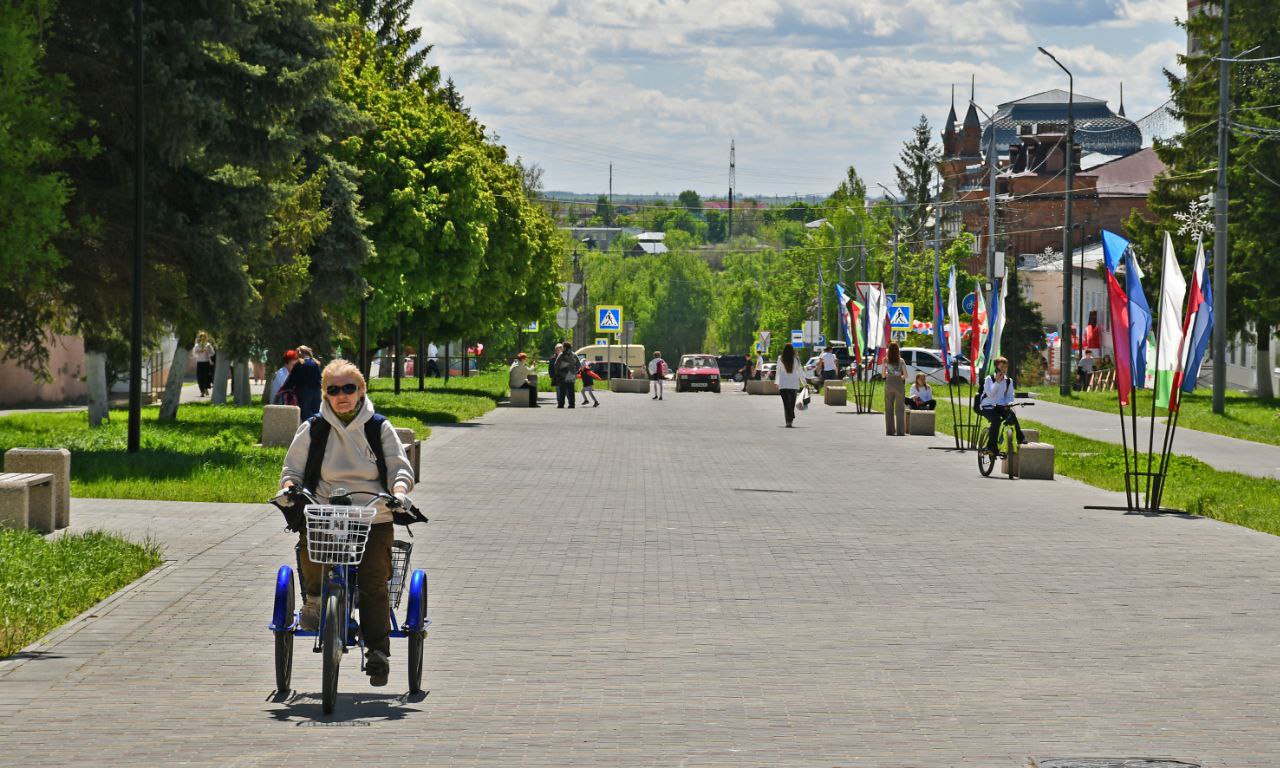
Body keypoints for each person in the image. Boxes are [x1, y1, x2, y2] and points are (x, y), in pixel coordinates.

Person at [279, 359, 415, 687]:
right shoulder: (313, 427)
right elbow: (292, 471)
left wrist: (398, 491)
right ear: (325, 394)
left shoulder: (377, 427)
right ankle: (314, 600)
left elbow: (399, 467)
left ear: (361, 391)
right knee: (309, 546)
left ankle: (378, 652)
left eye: (349, 388)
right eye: (334, 389)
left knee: (373, 581)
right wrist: (288, 489)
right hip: (326, 512)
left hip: (374, 514)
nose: (342, 395)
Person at [979, 355, 1026, 453]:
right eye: (1001, 367)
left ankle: (1020, 438)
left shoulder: (1008, 381)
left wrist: (1008, 404)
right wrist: (997, 382)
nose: (1004, 370)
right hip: (987, 406)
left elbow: (1009, 396)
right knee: (996, 420)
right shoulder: (989, 379)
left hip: (1000, 406)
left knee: (1011, 415)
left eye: (1005, 367)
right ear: (996, 367)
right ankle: (990, 447)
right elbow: (991, 394)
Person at [282, 345, 323, 419]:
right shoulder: (316, 363)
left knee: (305, 415)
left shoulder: (299, 364)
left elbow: (292, 379)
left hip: (304, 393)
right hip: (317, 392)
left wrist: (284, 389)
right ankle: (315, 429)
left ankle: (306, 429)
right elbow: (320, 378)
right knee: (316, 414)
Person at [776, 344, 806, 427]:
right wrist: (804, 383)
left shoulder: (780, 358)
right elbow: (800, 372)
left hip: (783, 384)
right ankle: (790, 419)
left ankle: (788, 422)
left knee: (786, 404)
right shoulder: (796, 359)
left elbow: (778, 371)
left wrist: (777, 382)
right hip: (793, 384)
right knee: (792, 403)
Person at [881, 342, 908, 436]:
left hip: (889, 383)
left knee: (889, 408)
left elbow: (883, 375)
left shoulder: (885, 360)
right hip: (899, 384)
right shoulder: (901, 361)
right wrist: (899, 377)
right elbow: (906, 375)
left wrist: (889, 375)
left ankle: (890, 431)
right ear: (898, 350)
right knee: (900, 408)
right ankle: (900, 431)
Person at [553, 342, 580, 409]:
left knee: (562, 391)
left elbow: (556, 365)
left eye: (563, 347)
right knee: (571, 391)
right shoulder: (574, 355)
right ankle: (572, 404)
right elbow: (579, 365)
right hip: (571, 376)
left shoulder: (561, 355)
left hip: (563, 376)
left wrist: (558, 373)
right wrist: (574, 372)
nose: (562, 348)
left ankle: (561, 404)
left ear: (565, 347)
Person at [192, 332, 215, 397]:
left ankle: (205, 388)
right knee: (200, 377)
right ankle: (202, 391)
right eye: (201, 337)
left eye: (204, 337)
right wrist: (199, 351)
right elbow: (194, 354)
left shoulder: (208, 345)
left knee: (206, 377)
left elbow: (213, 353)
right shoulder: (197, 345)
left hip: (206, 362)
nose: (202, 338)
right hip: (199, 362)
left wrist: (208, 351)